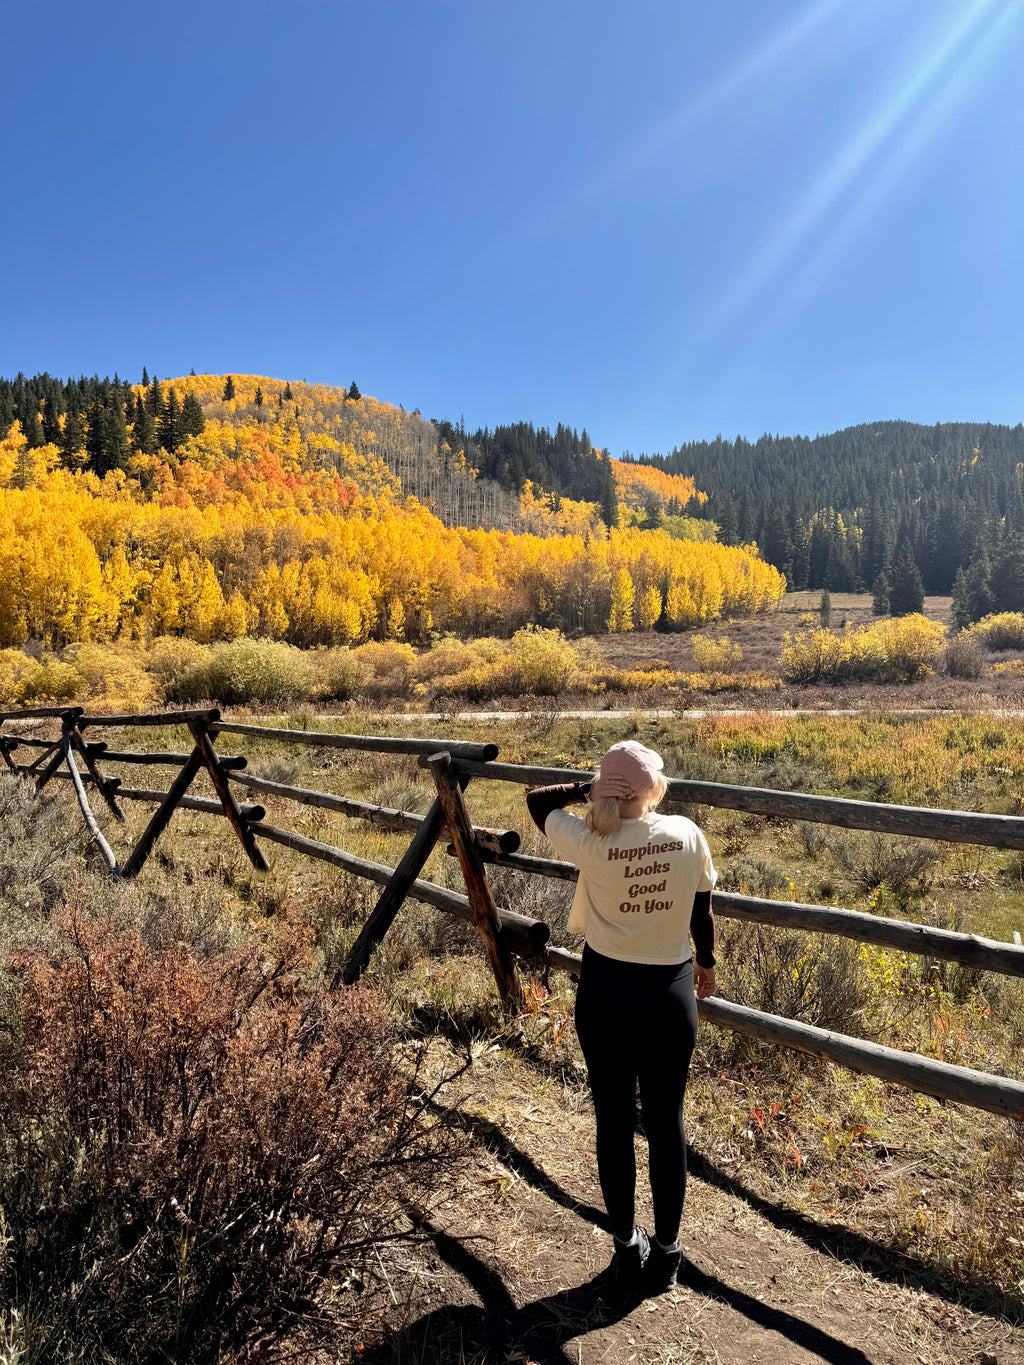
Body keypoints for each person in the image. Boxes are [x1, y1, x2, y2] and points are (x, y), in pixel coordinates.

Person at [526, 740, 717, 1292]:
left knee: (613, 1120)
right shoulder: (685, 834)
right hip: (670, 991)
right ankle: (668, 1252)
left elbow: (538, 802)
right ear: (654, 788)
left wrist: (590, 790)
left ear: (608, 790)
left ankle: (624, 1245)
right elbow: (702, 909)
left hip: (607, 992)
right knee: (666, 1121)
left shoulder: (590, 843)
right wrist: (705, 964)